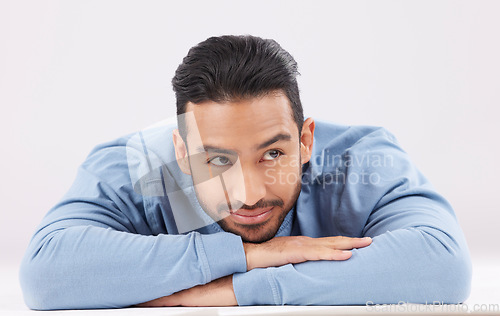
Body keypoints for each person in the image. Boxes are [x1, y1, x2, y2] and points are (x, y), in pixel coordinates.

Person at [19, 35, 472, 310]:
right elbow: (46, 272)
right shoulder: (133, 167)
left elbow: (443, 267)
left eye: (273, 154)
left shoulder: (361, 158)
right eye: (217, 160)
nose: (249, 194)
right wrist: (254, 254)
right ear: (181, 152)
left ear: (306, 139)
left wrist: (230, 290)